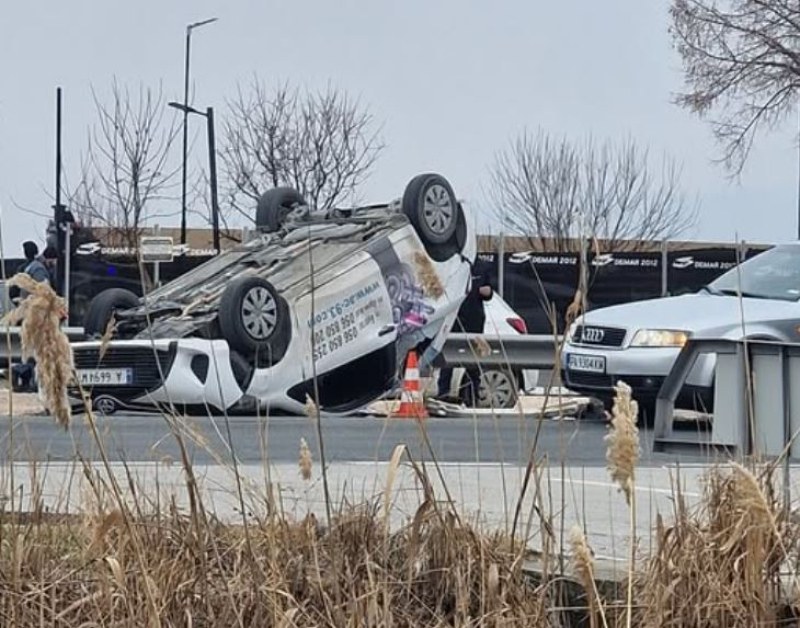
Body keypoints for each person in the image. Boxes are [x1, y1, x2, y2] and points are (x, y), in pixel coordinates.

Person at [437, 258, 494, 405]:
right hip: (453, 319)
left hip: (474, 321)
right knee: (449, 358)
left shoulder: (482, 266)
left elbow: (489, 292)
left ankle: (472, 395)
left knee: (473, 360)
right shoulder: (453, 263)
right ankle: (443, 393)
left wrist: (487, 292)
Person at [10, 241, 53, 392]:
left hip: (25, 312)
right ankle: (21, 372)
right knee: (38, 348)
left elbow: (14, 292)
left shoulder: (25, 268)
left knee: (30, 347)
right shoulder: (39, 269)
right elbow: (43, 291)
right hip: (35, 314)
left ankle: (24, 378)